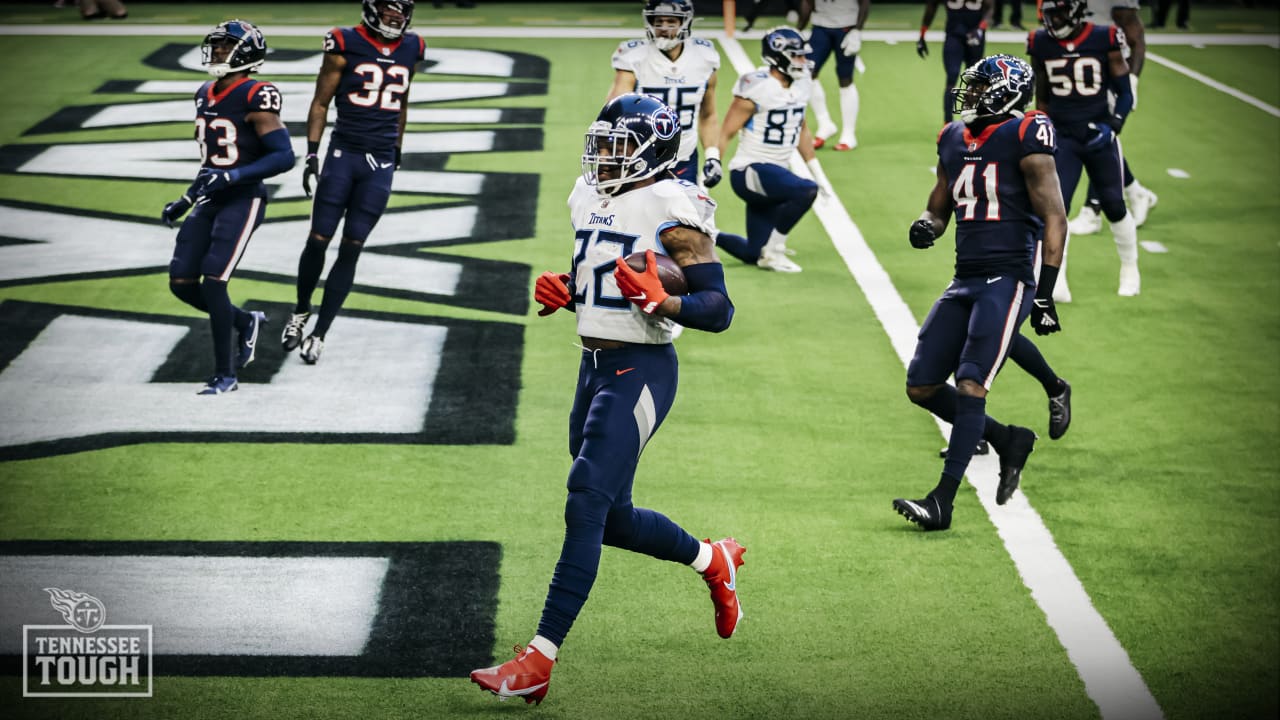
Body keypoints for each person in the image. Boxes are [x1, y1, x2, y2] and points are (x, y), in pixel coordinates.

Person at [469, 94, 741, 705]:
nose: (603, 156)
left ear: (653, 151)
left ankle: (538, 659)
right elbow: (604, 269)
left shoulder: (675, 205)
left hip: (642, 368)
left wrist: (665, 302)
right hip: (591, 366)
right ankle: (711, 559)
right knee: (612, 519)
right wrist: (573, 289)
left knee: (585, 502)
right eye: (602, 143)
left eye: (617, 145)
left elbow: (718, 310)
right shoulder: (590, 194)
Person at [893, 54, 1065, 530]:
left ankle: (942, 501)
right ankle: (1010, 439)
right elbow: (940, 202)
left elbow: (1055, 216)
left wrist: (1045, 294)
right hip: (964, 275)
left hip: (1008, 275)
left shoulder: (1026, 133)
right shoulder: (953, 137)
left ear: (1006, 93)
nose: (967, 95)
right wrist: (926, 225)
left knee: (972, 383)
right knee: (922, 385)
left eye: (979, 87)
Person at [281, 0, 425, 364]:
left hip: (379, 161)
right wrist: (312, 153)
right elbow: (320, 102)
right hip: (344, 153)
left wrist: (397, 146)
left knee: (353, 244)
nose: (396, 17)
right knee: (319, 238)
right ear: (372, 9)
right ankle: (300, 310)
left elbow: (402, 100)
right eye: (389, 10)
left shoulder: (412, 46)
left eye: (401, 11)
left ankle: (321, 332)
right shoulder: (344, 42)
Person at [160, 20, 295, 395]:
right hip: (210, 197)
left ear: (246, 54)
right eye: (216, 46)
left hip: (243, 198)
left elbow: (284, 156)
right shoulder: (205, 92)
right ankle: (246, 322)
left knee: (214, 281)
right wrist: (187, 199)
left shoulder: (257, 93)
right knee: (182, 282)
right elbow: (211, 160)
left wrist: (234, 177)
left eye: (225, 47)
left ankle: (226, 374)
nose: (217, 52)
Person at [1029, 0, 1141, 298]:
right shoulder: (1040, 43)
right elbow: (1042, 97)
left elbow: (1125, 94)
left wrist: (1113, 125)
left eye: (1059, 12)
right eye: (1049, 14)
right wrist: (1043, 131)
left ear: (1077, 10)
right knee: (1054, 210)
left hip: (1098, 135)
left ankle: (1130, 267)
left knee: (1114, 205)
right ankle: (1056, 278)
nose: (1053, 20)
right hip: (1063, 137)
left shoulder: (1102, 37)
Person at [713, 27, 834, 274]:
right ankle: (775, 251)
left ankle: (705, 234)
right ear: (778, 56)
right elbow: (727, 131)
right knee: (805, 191)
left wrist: (817, 171)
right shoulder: (755, 85)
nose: (803, 61)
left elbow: (801, 127)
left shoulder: (802, 83)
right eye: (796, 55)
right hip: (749, 170)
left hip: (774, 174)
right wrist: (714, 161)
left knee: (751, 253)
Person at [1067, 0, 1158, 243]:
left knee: (1098, 135)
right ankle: (1136, 192)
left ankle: (1092, 210)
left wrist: (1132, 81)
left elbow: (1136, 35)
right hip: (1077, 65)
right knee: (1083, 132)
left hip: (1106, 68)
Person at [607, 0, 722, 188]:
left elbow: (708, 114)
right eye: (658, 21)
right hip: (640, 158)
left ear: (685, 23)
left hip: (683, 157)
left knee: (685, 216)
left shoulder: (704, 58)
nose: (663, 27)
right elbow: (615, 113)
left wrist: (712, 156)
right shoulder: (634, 57)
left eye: (671, 21)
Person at [799, 0, 871, 151]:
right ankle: (825, 124)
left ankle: (848, 134)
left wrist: (857, 30)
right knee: (807, 73)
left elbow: (865, 1)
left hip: (846, 25)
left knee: (845, 78)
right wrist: (799, 30)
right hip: (820, 25)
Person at [917, 0, 994, 124]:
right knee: (952, 77)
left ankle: (972, 123)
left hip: (975, 35)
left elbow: (990, 8)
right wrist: (922, 34)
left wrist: (981, 28)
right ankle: (947, 124)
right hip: (954, 35)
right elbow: (932, 5)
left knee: (975, 81)